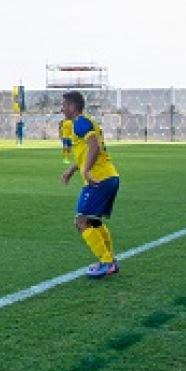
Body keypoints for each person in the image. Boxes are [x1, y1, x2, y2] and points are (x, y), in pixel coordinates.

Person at [60, 91, 120, 278]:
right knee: (93, 221)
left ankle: (107, 262)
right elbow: (88, 151)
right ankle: (109, 260)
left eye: (64, 105)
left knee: (81, 221)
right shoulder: (84, 122)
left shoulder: (79, 123)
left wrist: (86, 171)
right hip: (109, 177)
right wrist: (74, 169)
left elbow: (94, 147)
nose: (62, 109)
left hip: (99, 179)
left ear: (73, 107)